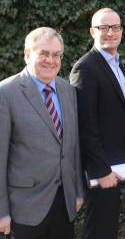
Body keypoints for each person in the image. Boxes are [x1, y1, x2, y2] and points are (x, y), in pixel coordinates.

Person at [0, 27, 84, 239]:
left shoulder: (68, 90)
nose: (51, 60)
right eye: (44, 53)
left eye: (56, 55)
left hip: (64, 202)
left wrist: (78, 191)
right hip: (25, 207)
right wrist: (2, 212)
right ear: (27, 54)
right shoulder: (6, 92)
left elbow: (73, 146)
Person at [69, 8, 125, 239]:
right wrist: (101, 170)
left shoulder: (115, 63)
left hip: (118, 165)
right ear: (92, 31)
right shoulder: (86, 67)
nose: (110, 32)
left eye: (115, 27)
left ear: (121, 30)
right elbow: (85, 124)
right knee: (98, 230)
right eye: (103, 27)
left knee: (108, 227)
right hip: (103, 170)